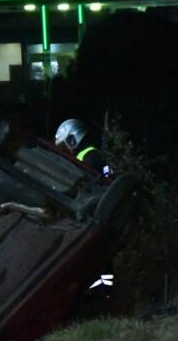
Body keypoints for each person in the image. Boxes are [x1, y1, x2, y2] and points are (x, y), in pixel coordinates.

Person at [55, 118, 115, 295]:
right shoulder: (94, 153)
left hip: (94, 210)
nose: (65, 151)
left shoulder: (86, 158)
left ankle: (103, 288)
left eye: (65, 145)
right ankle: (105, 287)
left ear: (73, 139)